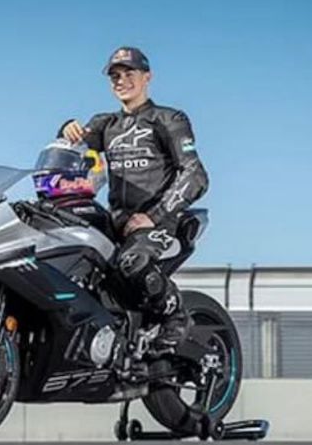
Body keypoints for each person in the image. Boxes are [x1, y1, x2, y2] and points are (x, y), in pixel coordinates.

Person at [60, 46, 209, 353]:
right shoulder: (104, 124)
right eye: (115, 75)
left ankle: (175, 316)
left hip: (160, 222)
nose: (121, 80)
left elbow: (195, 175)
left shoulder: (168, 118)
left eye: (129, 73)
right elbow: (69, 152)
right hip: (116, 222)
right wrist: (66, 130)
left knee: (132, 262)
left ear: (147, 77)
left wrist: (154, 216)